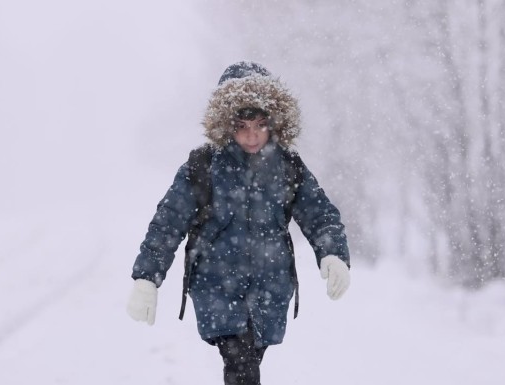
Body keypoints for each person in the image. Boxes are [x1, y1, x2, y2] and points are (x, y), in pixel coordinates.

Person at [127, 61, 351, 385]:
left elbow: (320, 214)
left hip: (271, 292)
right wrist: (147, 278)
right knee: (241, 366)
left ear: (274, 122)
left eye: (260, 124)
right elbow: (167, 223)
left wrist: (333, 254)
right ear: (226, 123)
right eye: (243, 125)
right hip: (217, 290)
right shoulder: (203, 166)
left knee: (247, 365)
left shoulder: (287, 166)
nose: (252, 135)